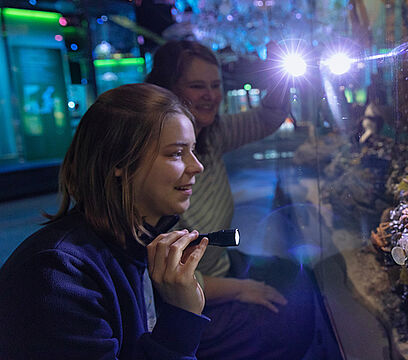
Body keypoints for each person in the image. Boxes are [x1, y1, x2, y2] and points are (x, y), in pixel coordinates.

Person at [0, 83, 211, 360]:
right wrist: (181, 316)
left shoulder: (137, 246)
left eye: (193, 150)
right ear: (119, 161)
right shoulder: (59, 274)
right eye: (175, 153)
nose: (197, 166)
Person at [146, 41, 321, 359]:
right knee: (288, 319)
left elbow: (267, 116)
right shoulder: (153, 167)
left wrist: (279, 72)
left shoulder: (211, 134)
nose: (211, 95)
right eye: (197, 86)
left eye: (216, 85)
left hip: (223, 266)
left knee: (299, 280)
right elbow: (169, 276)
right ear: (167, 89)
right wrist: (242, 290)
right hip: (189, 295)